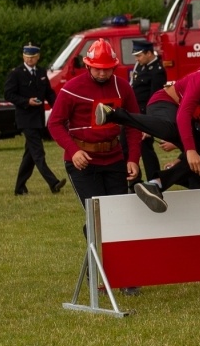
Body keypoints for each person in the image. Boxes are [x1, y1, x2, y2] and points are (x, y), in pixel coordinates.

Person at [95, 54, 200, 213]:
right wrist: (190, 150)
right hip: (164, 103)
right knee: (172, 128)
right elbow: (183, 114)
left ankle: (155, 184)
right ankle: (113, 114)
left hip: (180, 122)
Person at [47, 38, 143, 295]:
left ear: (114, 67)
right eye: (97, 68)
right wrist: (73, 150)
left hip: (114, 159)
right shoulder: (71, 88)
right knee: (97, 217)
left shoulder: (123, 88)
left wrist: (133, 157)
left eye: (107, 68)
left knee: (119, 218)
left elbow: (134, 124)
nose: (102, 73)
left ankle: (124, 276)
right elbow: (54, 124)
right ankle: (95, 273)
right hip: (82, 162)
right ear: (87, 66)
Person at [4, 43, 66, 196]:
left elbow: (49, 93)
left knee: (30, 156)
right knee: (38, 153)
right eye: (27, 57)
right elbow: (9, 94)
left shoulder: (41, 72)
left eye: (32, 57)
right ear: (23, 56)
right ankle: (53, 183)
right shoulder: (16, 73)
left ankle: (19, 188)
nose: (30, 59)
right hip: (25, 119)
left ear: (38, 57)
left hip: (38, 118)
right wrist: (26, 101)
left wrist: (58, 107)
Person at [129, 38, 167, 185]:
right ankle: (133, 180)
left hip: (145, 116)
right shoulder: (140, 65)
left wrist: (149, 124)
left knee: (145, 148)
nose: (137, 59)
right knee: (129, 146)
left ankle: (154, 179)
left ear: (149, 53)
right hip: (134, 114)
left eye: (139, 55)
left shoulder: (157, 71)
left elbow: (155, 98)